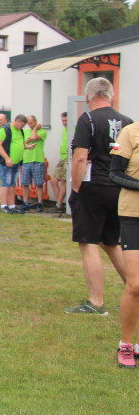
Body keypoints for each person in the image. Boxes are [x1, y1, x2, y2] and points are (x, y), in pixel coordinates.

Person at [65, 77, 131, 315]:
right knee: (111, 242)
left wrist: (75, 187)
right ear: (111, 95)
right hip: (118, 187)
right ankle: (134, 289)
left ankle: (96, 302)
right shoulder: (127, 122)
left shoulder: (88, 119)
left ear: (88, 97)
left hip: (93, 187)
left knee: (89, 242)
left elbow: (81, 156)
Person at [109, 120, 139, 367]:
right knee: (136, 285)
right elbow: (114, 173)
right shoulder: (130, 132)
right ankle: (125, 345)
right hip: (133, 215)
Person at [0, 114, 26, 214]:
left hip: (16, 162)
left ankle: (12, 205)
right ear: (17, 121)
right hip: (6, 162)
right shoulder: (6, 129)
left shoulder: (20, 131)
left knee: (13, 183)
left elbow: (20, 143)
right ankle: (4, 205)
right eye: (22, 124)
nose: (22, 127)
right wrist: (7, 158)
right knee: (6, 183)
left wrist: (26, 146)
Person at [21, 115, 47, 212]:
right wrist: (28, 141)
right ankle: (25, 202)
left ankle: (40, 202)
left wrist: (35, 129)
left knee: (39, 183)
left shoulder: (42, 132)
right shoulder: (25, 131)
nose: (30, 125)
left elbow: (34, 137)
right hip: (26, 160)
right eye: (29, 123)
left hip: (38, 159)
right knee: (25, 183)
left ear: (36, 122)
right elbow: (24, 142)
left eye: (32, 123)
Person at [52, 111, 69, 213]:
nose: (64, 122)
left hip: (69, 157)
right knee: (53, 180)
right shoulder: (64, 130)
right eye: (63, 120)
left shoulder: (74, 128)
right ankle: (60, 204)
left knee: (64, 181)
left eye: (66, 120)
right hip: (62, 157)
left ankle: (59, 204)